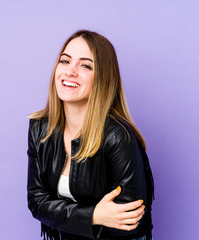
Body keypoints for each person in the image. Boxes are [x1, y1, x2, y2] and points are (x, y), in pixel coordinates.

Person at [27, 30, 154, 240]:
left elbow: (132, 221)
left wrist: (64, 214)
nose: (70, 71)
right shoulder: (40, 128)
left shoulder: (118, 137)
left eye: (85, 65)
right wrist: (94, 215)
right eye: (65, 61)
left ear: (102, 79)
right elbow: (37, 202)